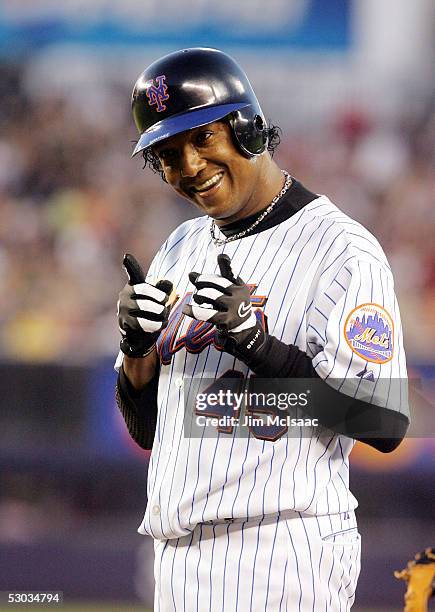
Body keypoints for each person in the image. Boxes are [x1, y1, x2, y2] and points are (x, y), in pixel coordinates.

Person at [115, 47, 410, 611]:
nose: (191, 166)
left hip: (280, 553)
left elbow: (385, 423)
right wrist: (137, 355)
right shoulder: (180, 248)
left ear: (248, 128)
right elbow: (147, 431)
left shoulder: (340, 251)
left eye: (203, 138)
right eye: (169, 154)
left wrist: (257, 344)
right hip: (177, 557)